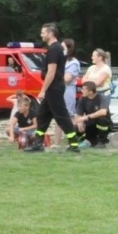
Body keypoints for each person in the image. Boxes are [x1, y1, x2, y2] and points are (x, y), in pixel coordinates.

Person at [34, 23, 81, 152]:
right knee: (42, 116)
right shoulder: (56, 48)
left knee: (61, 116)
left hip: (54, 87)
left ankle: (74, 144)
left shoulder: (54, 49)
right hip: (54, 87)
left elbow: (51, 72)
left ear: (50, 34)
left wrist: (43, 90)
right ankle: (37, 143)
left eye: (43, 32)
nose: (41, 35)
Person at [74, 79, 113, 147]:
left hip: (102, 123)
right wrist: (80, 123)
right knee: (75, 127)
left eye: (84, 89)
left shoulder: (101, 97)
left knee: (102, 119)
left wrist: (87, 117)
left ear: (91, 91)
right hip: (90, 124)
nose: (81, 91)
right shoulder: (82, 99)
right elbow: (79, 114)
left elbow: (103, 112)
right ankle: (84, 139)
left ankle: (102, 141)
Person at [62, 39, 82, 119]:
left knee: (69, 113)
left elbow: (67, 79)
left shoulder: (73, 62)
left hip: (68, 89)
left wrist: (56, 74)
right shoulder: (63, 60)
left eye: (62, 47)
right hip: (60, 89)